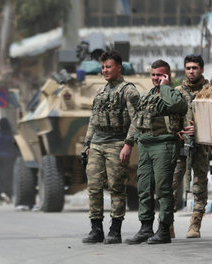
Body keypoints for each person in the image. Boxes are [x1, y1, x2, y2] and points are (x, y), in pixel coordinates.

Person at [125, 60, 187, 245]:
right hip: (145, 144)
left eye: (159, 75)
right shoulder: (146, 96)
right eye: (153, 75)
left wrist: (166, 87)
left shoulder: (173, 94)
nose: (155, 78)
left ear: (167, 76)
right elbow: (136, 120)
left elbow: (179, 107)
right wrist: (128, 143)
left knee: (163, 189)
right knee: (143, 188)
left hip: (164, 145)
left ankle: (164, 230)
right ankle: (145, 228)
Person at [82, 50, 140, 244]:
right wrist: (87, 144)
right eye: (103, 67)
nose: (105, 70)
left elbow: (136, 120)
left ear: (118, 67)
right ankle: (96, 229)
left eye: (109, 66)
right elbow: (93, 120)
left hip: (116, 143)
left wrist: (128, 145)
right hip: (97, 143)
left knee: (116, 187)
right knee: (94, 187)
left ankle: (115, 230)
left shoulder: (128, 90)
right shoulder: (100, 92)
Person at [172, 54, 210, 238]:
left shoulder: (211, 90)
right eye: (188, 68)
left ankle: (195, 224)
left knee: (200, 185)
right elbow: (170, 118)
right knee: (171, 184)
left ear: (201, 69)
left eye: (194, 68)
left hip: (201, 145)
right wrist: (177, 131)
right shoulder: (177, 92)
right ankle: (167, 224)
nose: (191, 71)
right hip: (180, 145)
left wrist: (200, 129)